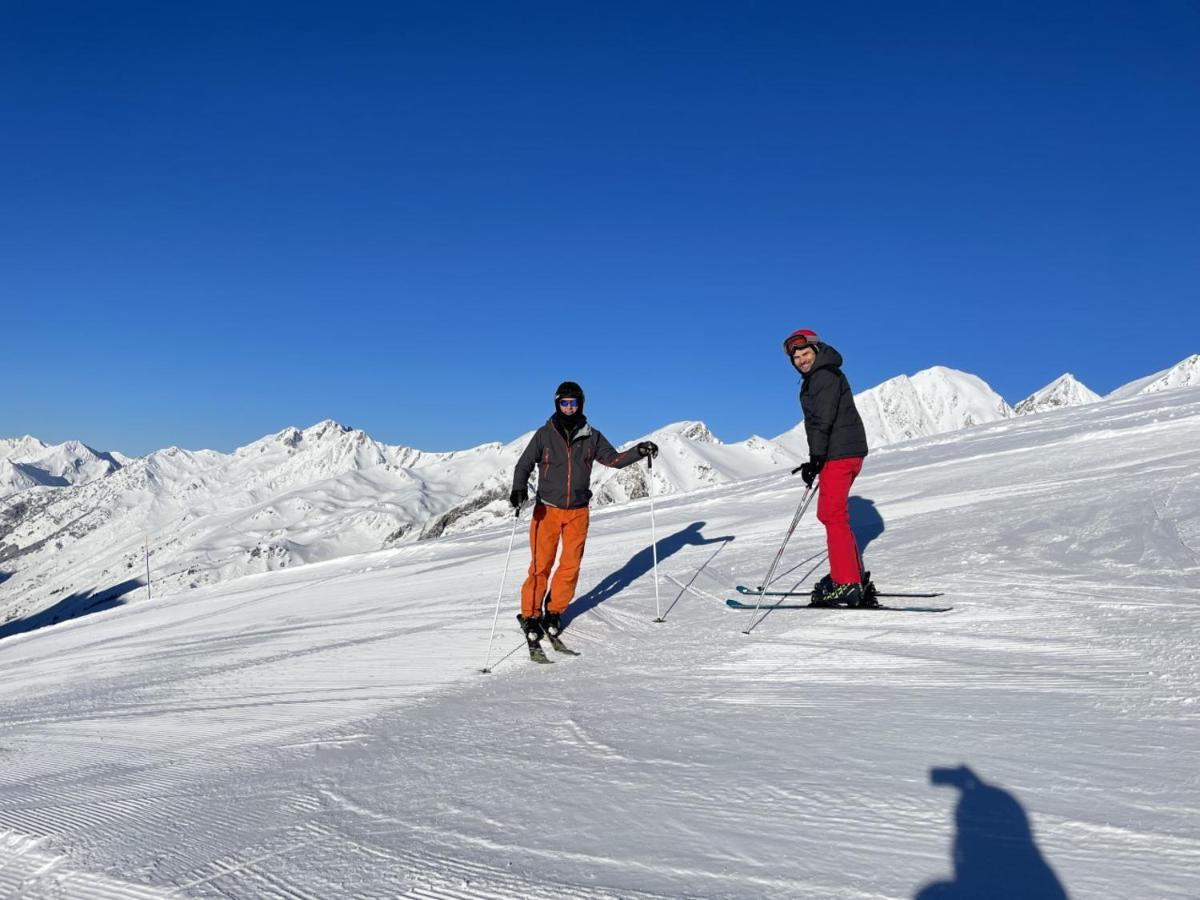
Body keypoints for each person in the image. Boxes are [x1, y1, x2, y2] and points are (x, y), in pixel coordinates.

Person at [510, 381, 658, 655]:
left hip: (578, 511)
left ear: (581, 404)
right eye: (564, 403)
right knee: (540, 565)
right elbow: (524, 464)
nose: (569, 408)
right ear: (557, 404)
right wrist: (519, 487)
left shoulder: (592, 437)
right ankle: (530, 616)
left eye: (573, 403)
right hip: (547, 510)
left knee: (570, 566)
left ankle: (553, 612)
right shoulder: (544, 435)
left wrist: (639, 451)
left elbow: (613, 459)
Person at [783, 329, 874, 607]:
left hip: (840, 452)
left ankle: (846, 583)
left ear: (817, 350)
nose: (801, 359)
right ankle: (851, 577)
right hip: (843, 451)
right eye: (796, 357)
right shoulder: (821, 376)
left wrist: (817, 457)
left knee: (831, 514)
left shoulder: (823, 376)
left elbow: (822, 420)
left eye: (805, 353)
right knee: (834, 515)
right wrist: (817, 458)